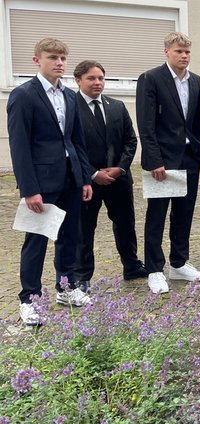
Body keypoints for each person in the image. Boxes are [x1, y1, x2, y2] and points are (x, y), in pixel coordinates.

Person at [8, 38, 93, 325]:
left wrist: (83, 178)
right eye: (53, 57)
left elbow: (76, 140)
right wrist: (29, 189)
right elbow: (19, 146)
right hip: (42, 182)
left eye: (62, 58)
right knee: (37, 240)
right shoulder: (24, 95)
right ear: (37, 60)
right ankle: (29, 298)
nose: (59, 63)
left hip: (70, 178)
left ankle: (65, 288)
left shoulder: (70, 96)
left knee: (70, 236)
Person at [136, 32, 200, 294]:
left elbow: (195, 121)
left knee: (184, 213)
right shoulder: (151, 79)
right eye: (179, 51)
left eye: (187, 51)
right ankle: (154, 269)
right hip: (162, 162)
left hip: (189, 158)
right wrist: (154, 159)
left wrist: (198, 149)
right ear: (167, 51)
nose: (184, 56)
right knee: (157, 216)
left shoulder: (195, 80)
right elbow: (146, 124)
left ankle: (178, 263)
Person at [73, 60, 146, 291]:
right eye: (91, 78)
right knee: (84, 229)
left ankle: (132, 266)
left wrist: (120, 167)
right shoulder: (70, 107)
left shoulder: (117, 106)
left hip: (118, 179)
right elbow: (72, 146)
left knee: (125, 224)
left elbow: (130, 140)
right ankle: (82, 275)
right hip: (88, 182)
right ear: (78, 81)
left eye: (101, 78)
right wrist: (93, 173)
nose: (97, 82)